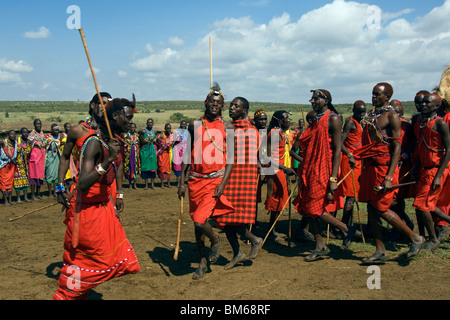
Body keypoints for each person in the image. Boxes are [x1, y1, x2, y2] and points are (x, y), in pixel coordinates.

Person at [53, 98, 140, 300]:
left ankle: (78, 291)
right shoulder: (93, 143)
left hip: (102, 206)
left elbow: (117, 168)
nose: (130, 122)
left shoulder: (112, 141)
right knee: (95, 261)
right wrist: (108, 158)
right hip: (86, 209)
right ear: (115, 117)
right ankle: (68, 293)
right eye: (127, 117)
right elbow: (83, 181)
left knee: (117, 258)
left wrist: (118, 193)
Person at [355, 83, 425, 263]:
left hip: (384, 169)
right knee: (371, 208)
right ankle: (380, 250)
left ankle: (415, 237)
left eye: (377, 94)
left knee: (382, 208)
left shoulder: (392, 116)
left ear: (387, 96)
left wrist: (388, 176)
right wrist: (364, 170)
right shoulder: (372, 116)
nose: (373, 97)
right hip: (371, 167)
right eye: (372, 93)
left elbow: (397, 147)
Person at [177, 85, 235, 280]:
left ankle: (215, 238)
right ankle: (202, 261)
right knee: (197, 224)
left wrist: (223, 184)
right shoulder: (195, 124)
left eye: (219, 103)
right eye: (212, 102)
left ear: (222, 106)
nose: (215, 105)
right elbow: (187, 152)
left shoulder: (228, 127)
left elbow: (231, 159)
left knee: (200, 220)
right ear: (206, 103)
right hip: (195, 180)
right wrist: (181, 181)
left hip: (214, 180)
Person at [292, 90, 349, 261]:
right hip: (310, 170)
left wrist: (333, 178)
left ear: (326, 100)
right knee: (308, 208)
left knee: (314, 208)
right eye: (312, 99)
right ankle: (320, 246)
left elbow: (338, 150)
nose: (312, 101)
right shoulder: (315, 120)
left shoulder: (333, 119)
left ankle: (345, 228)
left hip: (324, 169)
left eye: (316, 98)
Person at [215, 97, 263, 270]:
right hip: (228, 176)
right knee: (224, 217)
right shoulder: (231, 127)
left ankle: (252, 240)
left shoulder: (249, 131)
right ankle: (239, 251)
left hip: (241, 177)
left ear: (244, 110)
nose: (232, 108)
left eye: (236, 106)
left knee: (229, 216)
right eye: (232, 105)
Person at [57, 92, 112, 208]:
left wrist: (119, 194)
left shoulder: (110, 133)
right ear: (93, 105)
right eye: (103, 104)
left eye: (108, 105)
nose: (105, 108)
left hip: (106, 189)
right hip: (83, 186)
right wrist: (60, 188)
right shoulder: (78, 131)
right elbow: (65, 157)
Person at [412, 93, 450, 250]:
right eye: (422, 103)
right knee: (427, 205)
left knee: (423, 206)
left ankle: (433, 240)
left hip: (435, 171)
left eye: (427, 103)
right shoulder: (423, 124)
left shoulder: (440, 123)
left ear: (436, 106)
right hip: (424, 170)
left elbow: (449, 150)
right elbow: (423, 148)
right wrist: (417, 167)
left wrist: (439, 176)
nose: (423, 105)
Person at [265, 110, 296, 242]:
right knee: (276, 200)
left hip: (279, 170)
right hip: (274, 171)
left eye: (288, 118)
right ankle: (270, 232)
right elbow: (267, 157)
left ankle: (273, 229)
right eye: (286, 118)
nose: (288, 120)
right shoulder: (274, 134)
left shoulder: (281, 133)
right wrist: (284, 168)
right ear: (278, 120)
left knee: (280, 199)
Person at [339, 100, 366, 236]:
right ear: (353, 110)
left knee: (353, 195)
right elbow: (340, 142)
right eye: (359, 112)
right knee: (350, 195)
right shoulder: (350, 122)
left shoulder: (360, 123)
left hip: (357, 161)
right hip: (349, 161)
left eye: (363, 112)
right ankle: (344, 228)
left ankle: (349, 225)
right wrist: (350, 155)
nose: (362, 114)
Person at [28, 119, 46, 200]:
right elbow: (31, 142)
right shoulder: (31, 134)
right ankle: (32, 195)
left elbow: (45, 142)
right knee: (33, 175)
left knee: (40, 175)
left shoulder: (42, 134)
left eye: (40, 124)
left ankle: (38, 193)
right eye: (37, 124)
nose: (39, 125)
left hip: (42, 155)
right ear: (34, 125)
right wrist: (38, 143)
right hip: (35, 155)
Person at [13, 128, 32, 203]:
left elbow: (28, 152)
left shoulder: (28, 142)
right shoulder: (17, 141)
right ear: (21, 133)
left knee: (26, 181)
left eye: (27, 132)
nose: (25, 134)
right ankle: (18, 198)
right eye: (24, 132)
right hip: (17, 164)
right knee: (18, 181)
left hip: (25, 164)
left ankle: (25, 197)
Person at [44, 124, 63, 197]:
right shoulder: (48, 137)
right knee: (49, 174)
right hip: (50, 157)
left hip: (57, 158)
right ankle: (49, 192)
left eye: (58, 130)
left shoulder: (59, 137)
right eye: (55, 130)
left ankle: (55, 191)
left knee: (56, 175)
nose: (57, 131)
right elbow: (45, 145)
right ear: (51, 130)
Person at [0, 130, 18, 205]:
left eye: (14, 134)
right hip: (4, 165)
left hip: (11, 165)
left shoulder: (15, 143)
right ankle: (5, 200)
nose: (13, 136)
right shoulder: (3, 143)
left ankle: (10, 199)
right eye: (11, 134)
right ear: (8, 135)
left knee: (10, 182)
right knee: (3, 182)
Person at [139, 118, 158, 189]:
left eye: (151, 123)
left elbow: (155, 139)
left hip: (152, 150)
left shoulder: (154, 131)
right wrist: (145, 140)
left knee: (152, 167)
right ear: (146, 124)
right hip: (145, 149)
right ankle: (146, 184)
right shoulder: (143, 131)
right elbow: (140, 140)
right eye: (148, 123)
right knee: (145, 167)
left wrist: (154, 140)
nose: (150, 124)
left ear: (153, 124)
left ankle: (152, 184)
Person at [123, 123, 141, 189]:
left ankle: (135, 184)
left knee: (135, 167)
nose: (132, 129)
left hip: (135, 155)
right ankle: (130, 184)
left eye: (134, 127)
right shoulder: (127, 136)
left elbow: (138, 145)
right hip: (129, 155)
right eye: (131, 127)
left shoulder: (137, 136)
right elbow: (125, 145)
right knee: (130, 167)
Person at [156, 123, 174, 188]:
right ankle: (162, 183)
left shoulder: (171, 135)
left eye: (170, 128)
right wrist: (166, 146)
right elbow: (159, 142)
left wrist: (169, 145)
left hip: (168, 153)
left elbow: (172, 142)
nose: (169, 130)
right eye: (167, 128)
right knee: (162, 168)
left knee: (168, 168)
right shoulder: (161, 135)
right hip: (162, 154)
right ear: (165, 129)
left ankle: (168, 183)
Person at [173, 120, 189, 187]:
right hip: (177, 149)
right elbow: (172, 140)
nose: (183, 125)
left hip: (186, 149)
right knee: (177, 165)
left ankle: (183, 181)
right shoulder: (176, 132)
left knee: (185, 166)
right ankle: (178, 182)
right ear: (180, 124)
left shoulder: (188, 132)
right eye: (182, 124)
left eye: (185, 124)